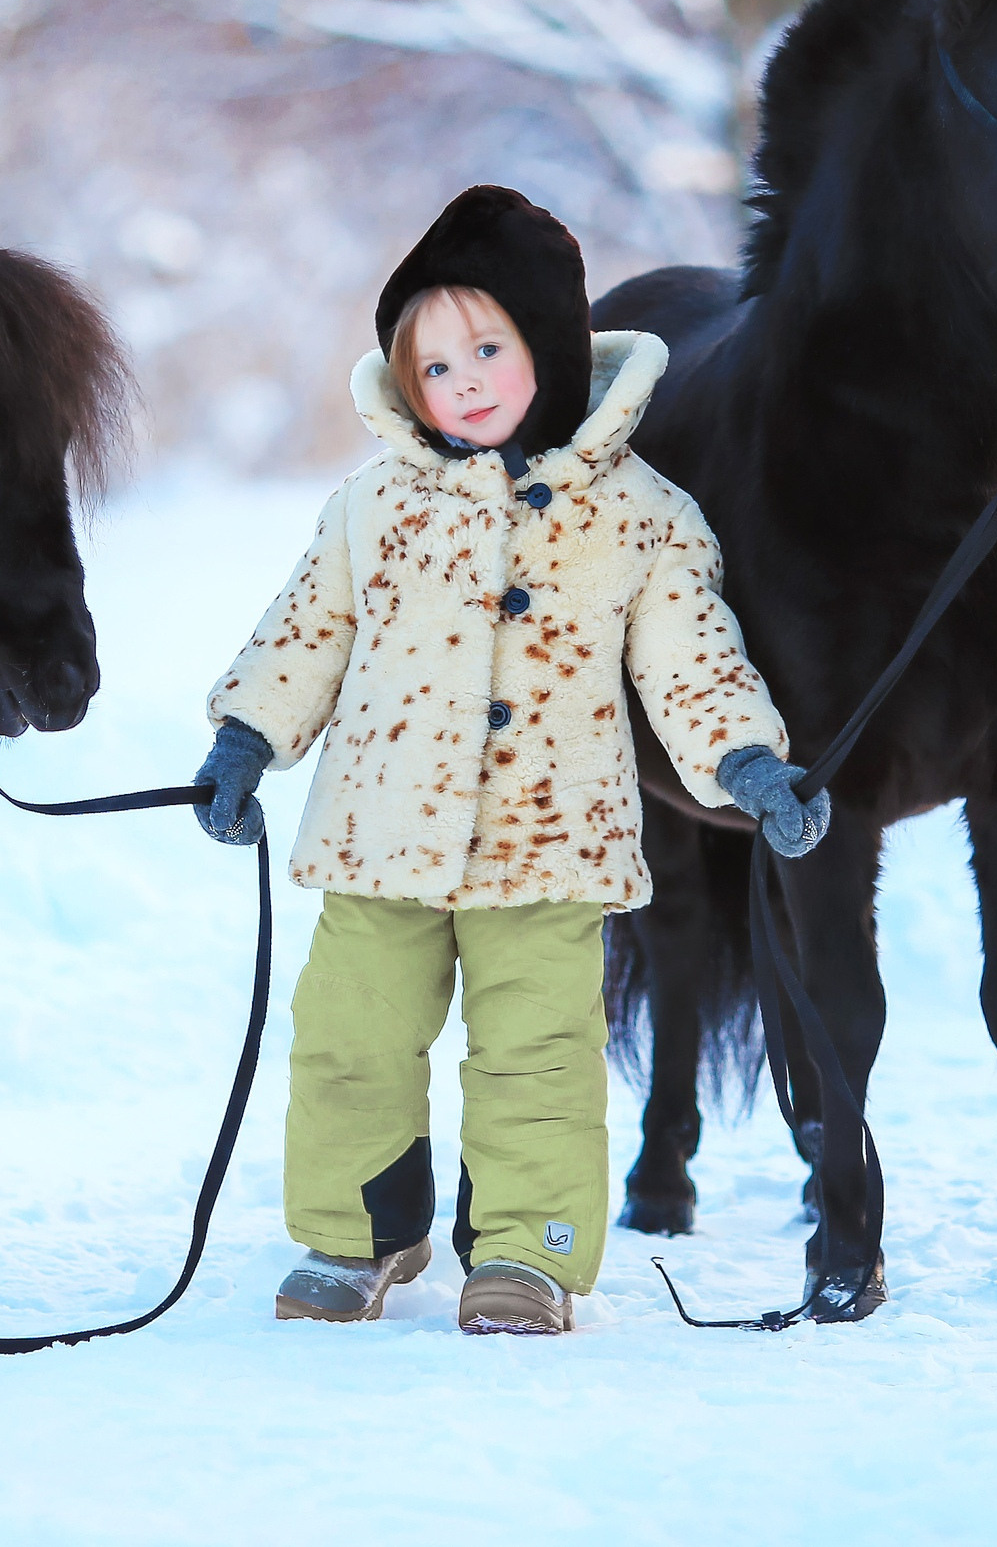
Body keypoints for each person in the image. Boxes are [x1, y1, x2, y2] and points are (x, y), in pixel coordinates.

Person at [192, 185, 829, 1336]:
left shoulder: (637, 512)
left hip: (551, 844)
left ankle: (526, 1254)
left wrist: (747, 764)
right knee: (351, 1040)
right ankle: (360, 1233)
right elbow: (304, 632)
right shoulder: (372, 506)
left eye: (489, 348)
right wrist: (244, 740)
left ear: (552, 347)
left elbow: (691, 657)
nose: (465, 380)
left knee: (537, 1056)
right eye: (435, 366)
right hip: (379, 834)